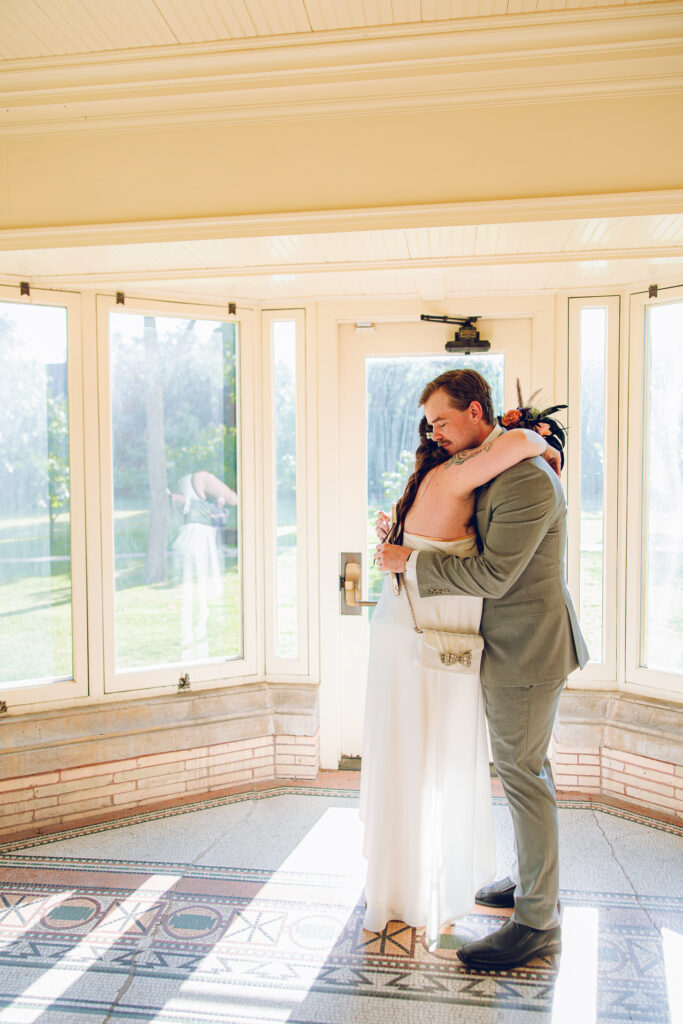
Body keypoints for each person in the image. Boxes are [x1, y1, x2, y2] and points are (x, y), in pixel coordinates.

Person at [376, 369, 589, 969]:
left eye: (441, 420)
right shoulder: (499, 458)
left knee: (523, 775)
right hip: (511, 644)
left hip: (528, 648)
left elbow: (495, 575)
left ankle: (537, 921)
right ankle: (527, 881)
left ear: (475, 413)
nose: (433, 431)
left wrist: (411, 564)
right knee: (526, 769)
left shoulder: (526, 482)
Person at [170, 471, 237, 661]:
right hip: (197, 542)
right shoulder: (202, 476)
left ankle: (193, 651)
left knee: (191, 601)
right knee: (198, 602)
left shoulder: (181, 480)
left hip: (185, 539)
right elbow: (233, 499)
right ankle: (196, 653)